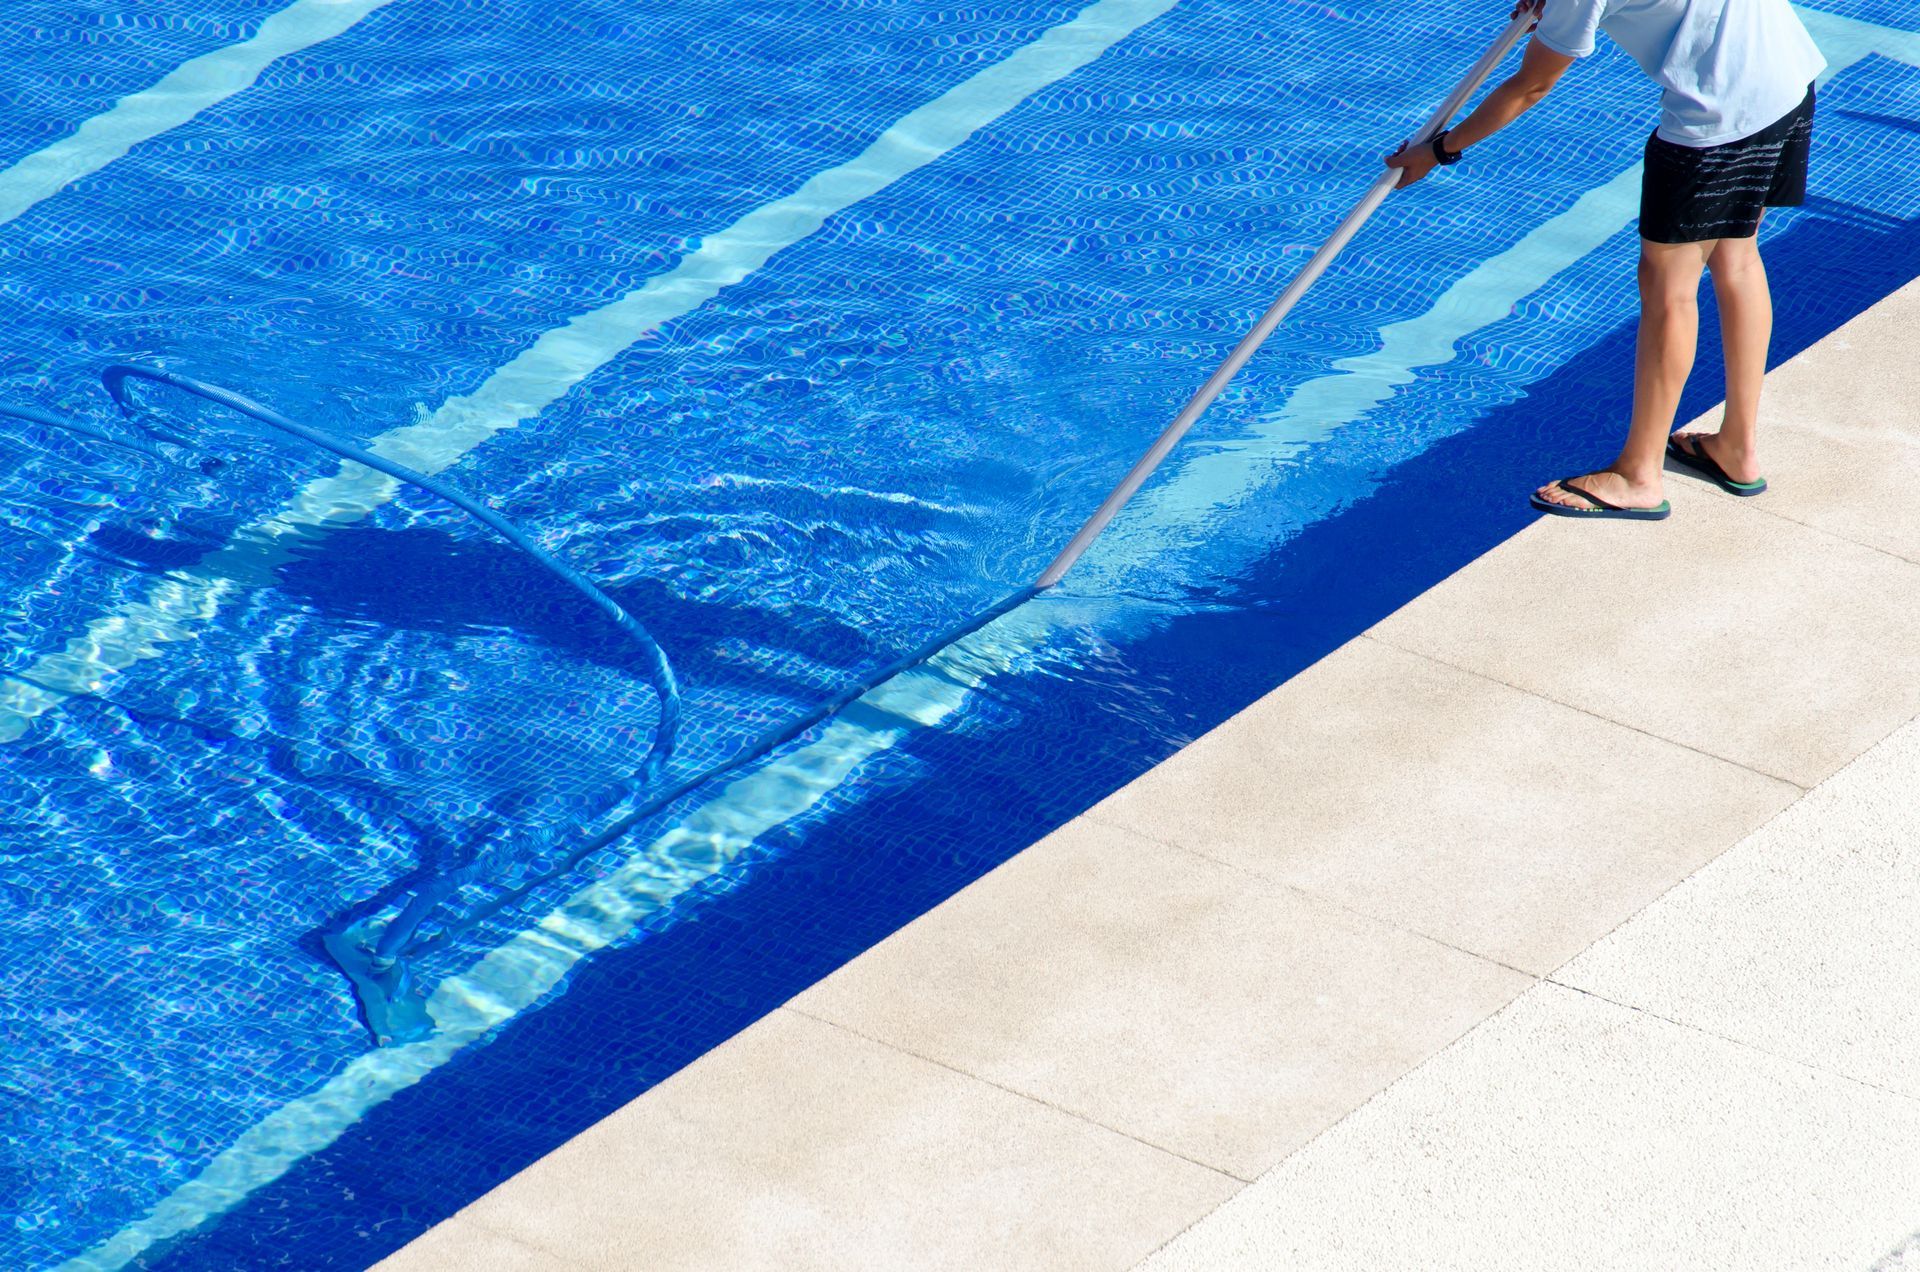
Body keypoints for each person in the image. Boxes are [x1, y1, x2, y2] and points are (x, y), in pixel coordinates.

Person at [1385, 0, 1826, 520]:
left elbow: (1531, 86)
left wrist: (1439, 150)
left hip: (1719, 114)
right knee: (1737, 256)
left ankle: (1638, 475)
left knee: (1668, 286)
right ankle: (1737, 447)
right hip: (1786, 75)